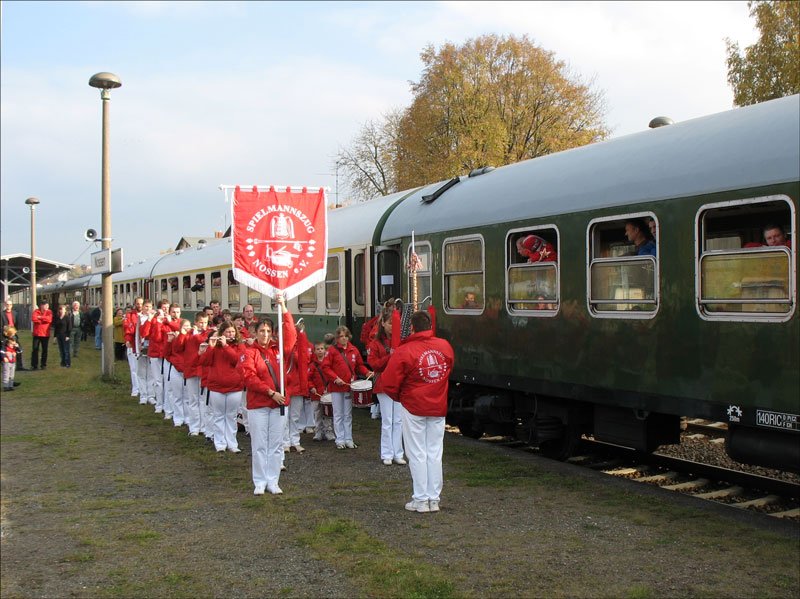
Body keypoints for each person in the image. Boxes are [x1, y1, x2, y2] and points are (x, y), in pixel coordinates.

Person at [382, 310, 454, 514]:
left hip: (413, 405)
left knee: (416, 453)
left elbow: (389, 382)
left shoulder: (405, 350)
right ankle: (434, 499)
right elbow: (447, 369)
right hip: (437, 406)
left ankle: (421, 499)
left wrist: (402, 397)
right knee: (435, 453)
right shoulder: (444, 346)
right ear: (430, 325)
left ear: (412, 328)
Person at [240, 295, 295, 495]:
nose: (265, 335)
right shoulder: (250, 352)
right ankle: (260, 481)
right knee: (259, 445)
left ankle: (273, 481)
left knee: (276, 444)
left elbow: (291, 335)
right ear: (255, 333)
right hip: (259, 404)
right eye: (261, 331)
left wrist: (283, 307)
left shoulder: (278, 349)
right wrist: (270, 393)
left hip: (279, 405)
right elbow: (249, 377)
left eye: (268, 331)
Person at [322, 325, 374, 450]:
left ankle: (348, 439)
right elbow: (325, 367)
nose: (344, 338)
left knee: (348, 414)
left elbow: (359, 366)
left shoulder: (354, 350)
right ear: (337, 338)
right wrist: (335, 378)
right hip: (336, 387)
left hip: (349, 387)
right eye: (341, 336)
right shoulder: (332, 351)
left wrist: (367, 372)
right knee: (338, 414)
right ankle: (340, 439)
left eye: (346, 336)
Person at [199, 320, 244, 453]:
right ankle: (220, 443)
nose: (230, 334)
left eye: (232, 331)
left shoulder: (239, 346)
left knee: (231, 416)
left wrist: (226, 346)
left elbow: (236, 360)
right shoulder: (214, 347)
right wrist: (210, 347)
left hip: (235, 386)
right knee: (218, 415)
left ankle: (232, 443)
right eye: (227, 332)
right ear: (222, 333)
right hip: (216, 386)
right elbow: (204, 362)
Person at [368, 309, 406, 466]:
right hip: (383, 384)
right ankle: (387, 453)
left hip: (398, 384)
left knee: (398, 420)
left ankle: (398, 453)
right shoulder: (375, 343)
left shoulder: (401, 341)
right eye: (390, 323)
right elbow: (374, 364)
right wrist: (389, 356)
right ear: (383, 324)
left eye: (394, 324)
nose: (392, 326)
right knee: (388, 420)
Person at [308, 339, 335, 441]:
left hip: (328, 393)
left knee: (328, 414)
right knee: (317, 413)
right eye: (318, 349)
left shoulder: (329, 364)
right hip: (316, 394)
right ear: (314, 351)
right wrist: (311, 387)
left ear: (325, 350)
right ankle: (318, 432)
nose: (320, 350)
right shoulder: (312, 365)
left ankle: (329, 431)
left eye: (322, 349)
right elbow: (308, 379)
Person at [2, 298, 26, 370]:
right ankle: (5, 365)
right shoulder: (2, 314)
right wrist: (5, 331)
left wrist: (14, 332)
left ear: (12, 305)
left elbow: (17, 324)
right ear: (5, 305)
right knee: (4, 350)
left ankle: (19, 366)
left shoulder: (15, 313)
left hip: (13, 334)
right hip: (5, 335)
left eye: (10, 304)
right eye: (7, 304)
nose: (9, 306)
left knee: (18, 348)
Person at [30, 299, 53, 370]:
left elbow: (49, 319)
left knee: (44, 350)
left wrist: (40, 317)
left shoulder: (49, 312)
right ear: (41, 306)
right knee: (35, 349)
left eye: (47, 305)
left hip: (45, 334)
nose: (47, 306)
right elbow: (34, 319)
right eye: (45, 305)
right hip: (37, 334)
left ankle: (43, 365)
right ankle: (34, 365)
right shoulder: (36, 311)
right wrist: (43, 320)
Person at [2, 326, 19, 391]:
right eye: (13, 334)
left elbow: (19, 350)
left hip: (13, 361)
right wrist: (4, 357)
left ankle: (11, 386)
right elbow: (2, 350)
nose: (14, 335)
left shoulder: (14, 340)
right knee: (6, 373)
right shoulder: (5, 341)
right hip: (7, 361)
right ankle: (6, 386)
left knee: (12, 374)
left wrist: (17, 347)